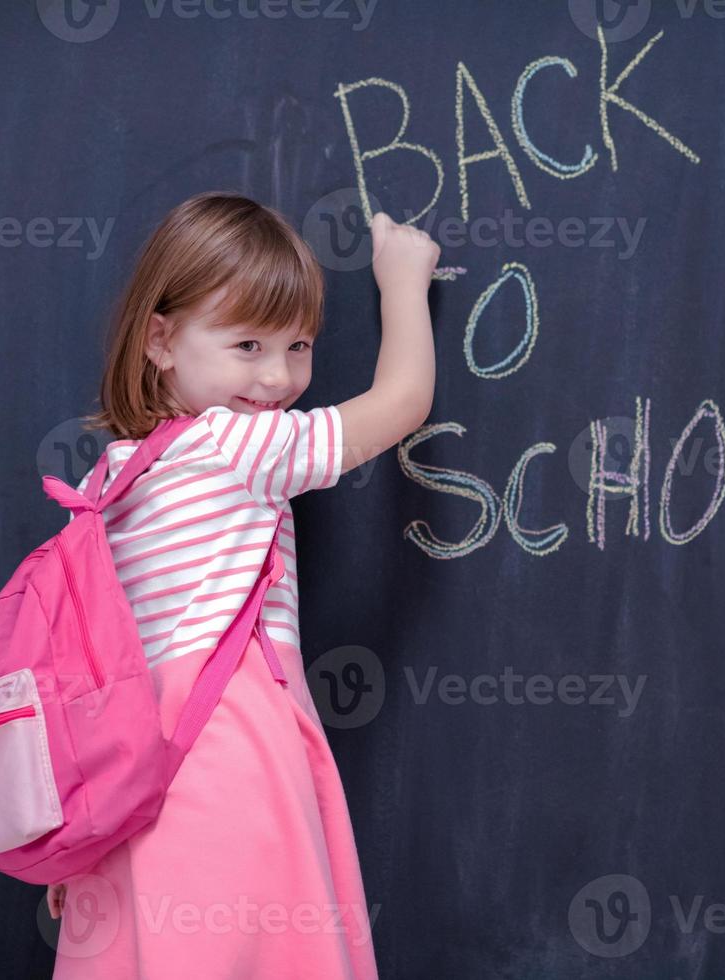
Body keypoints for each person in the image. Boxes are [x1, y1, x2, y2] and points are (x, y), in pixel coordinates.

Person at [45, 191, 438, 978]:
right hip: (226, 749)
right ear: (160, 339)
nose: (279, 377)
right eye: (248, 344)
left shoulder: (114, 478)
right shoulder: (236, 445)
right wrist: (403, 281)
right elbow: (400, 405)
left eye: (299, 346)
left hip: (124, 770)